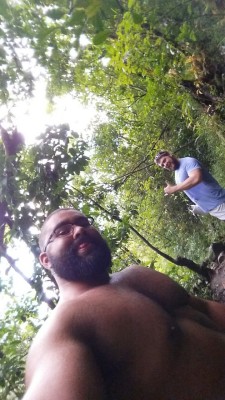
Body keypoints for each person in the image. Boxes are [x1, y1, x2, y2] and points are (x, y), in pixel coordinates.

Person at [23, 208, 225, 400]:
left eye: (83, 222)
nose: (79, 230)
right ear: (46, 260)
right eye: (62, 231)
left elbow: (203, 309)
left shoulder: (135, 275)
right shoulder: (63, 329)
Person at [154, 150, 225, 219]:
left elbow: (196, 178)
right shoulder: (177, 174)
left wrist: (173, 189)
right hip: (213, 208)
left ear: (170, 155)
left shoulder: (188, 162)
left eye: (164, 160)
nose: (165, 164)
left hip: (219, 202)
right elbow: (195, 190)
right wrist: (199, 207)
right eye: (162, 165)